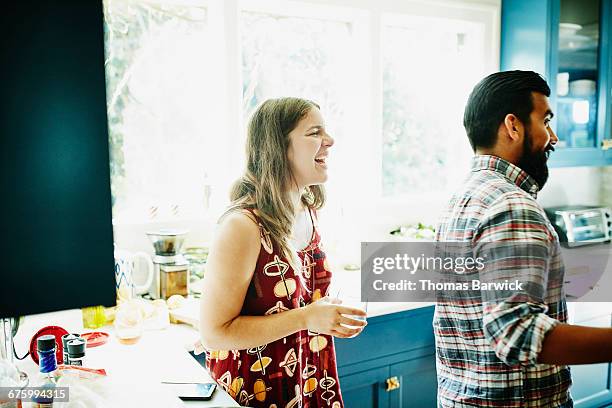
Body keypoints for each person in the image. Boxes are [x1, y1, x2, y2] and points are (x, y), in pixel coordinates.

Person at [434, 70, 612, 407]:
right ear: (513, 126)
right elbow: (518, 333)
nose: (553, 137)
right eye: (545, 120)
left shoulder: (464, 197)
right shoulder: (512, 204)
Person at [199, 97, 366, 407]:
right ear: (279, 146)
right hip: (257, 390)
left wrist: (326, 315)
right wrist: (307, 317)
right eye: (315, 132)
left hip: (311, 382)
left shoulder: (308, 211)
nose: (329, 141)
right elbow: (214, 333)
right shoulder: (243, 226)